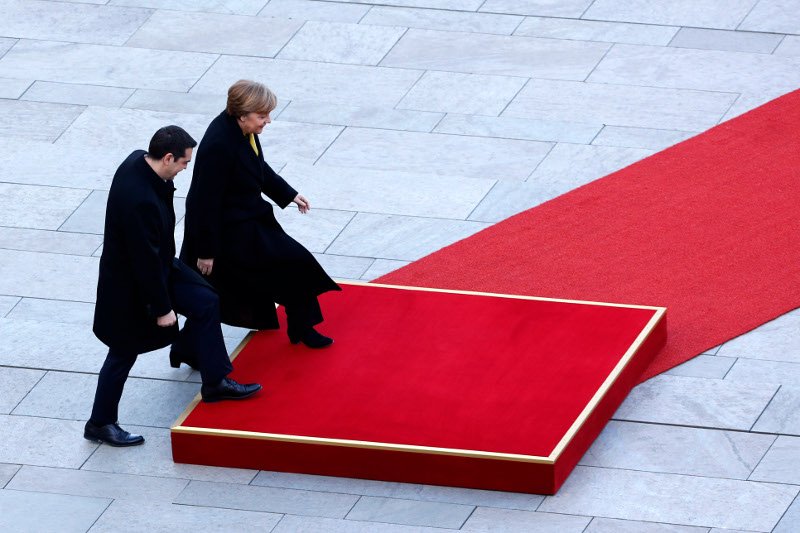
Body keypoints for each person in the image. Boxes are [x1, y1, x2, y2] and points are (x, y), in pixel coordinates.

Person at [86, 125, 261, 448]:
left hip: (160, 266)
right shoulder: (140, 201)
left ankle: (214, 380)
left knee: (206, 300)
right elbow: (144, 261)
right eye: (183, 163)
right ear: (168, 158)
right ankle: (100, 422)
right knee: (123, 353)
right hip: (132, 287)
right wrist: (162, 308)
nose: (184, 170)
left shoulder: (138, 162)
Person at [180, 80, 340, 349]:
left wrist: (288, 194)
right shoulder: (219, 144)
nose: (268, 121)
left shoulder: (241, 129)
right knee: (291, 264)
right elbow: (204, 201)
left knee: (289, 266)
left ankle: (302, 326)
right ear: (243, 115)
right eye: (262, 116)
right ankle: (188, 347)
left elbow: (257, 166)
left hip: (248, 220)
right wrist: (207, 251)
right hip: (231, 232)